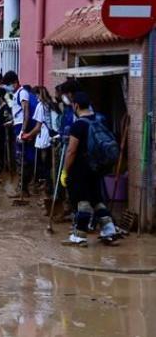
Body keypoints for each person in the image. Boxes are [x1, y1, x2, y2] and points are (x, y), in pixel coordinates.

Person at [61, 91, 117, 245]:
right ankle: (109, 230)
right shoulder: (98, 121)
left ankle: (79, 235)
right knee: (96, 199)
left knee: (82, 202)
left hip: (81, 169)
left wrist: (65, 171)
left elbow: (71, 151)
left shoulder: (78, 125)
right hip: (96, 167)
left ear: (76, 106)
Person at [2, 71, 36, 198]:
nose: (7, 87)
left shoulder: (22, 93)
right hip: (18, 126)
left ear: (15, 82)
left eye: (8, 85)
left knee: (23, 159)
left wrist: (23, 131)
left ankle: (24, 188)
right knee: (20, 158)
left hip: (23, 129)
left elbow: (26, 113)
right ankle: (22, 187)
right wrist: (12, 122)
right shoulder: (16, 94)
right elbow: (19, 113)